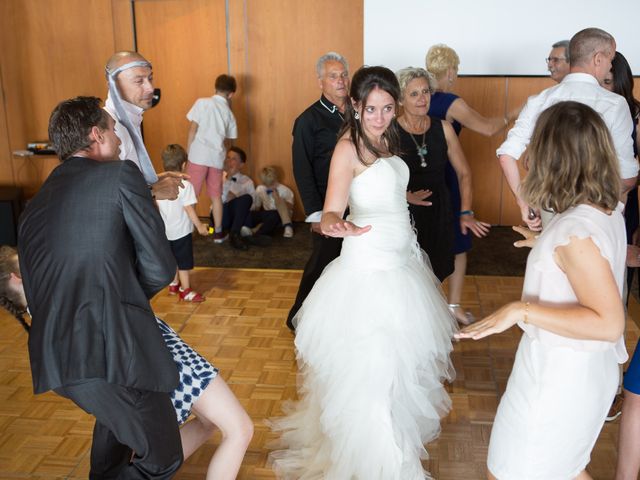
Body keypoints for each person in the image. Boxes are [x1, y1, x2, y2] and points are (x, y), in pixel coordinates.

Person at [269, 66, 457, 479]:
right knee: (373, 370)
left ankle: (393, 444)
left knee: (401, 370)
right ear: (356, 106)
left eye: (388, 108)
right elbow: (335, 204)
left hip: (403, 261)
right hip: (368, 269)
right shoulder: (347, 147)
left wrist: (401, 194)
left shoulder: (388, 138)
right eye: (371, 108)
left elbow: (379, 181)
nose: (380, 116)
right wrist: (337, 223)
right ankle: (380, 464)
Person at [457, 101, 628, 480]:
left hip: (559, 378)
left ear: (555, 157)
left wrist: (521, 310)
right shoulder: (605, 210)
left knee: (508, 472)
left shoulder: (574, 235)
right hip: (577, 371)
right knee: (562, 469)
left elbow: (608, 324)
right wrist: (545, 243)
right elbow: (589, 262)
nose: (528, 154)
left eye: (535, 143)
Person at [19, 96, 183, 478]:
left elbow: (38, 288)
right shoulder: (121, 175)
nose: (121, 140)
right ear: (96, 135)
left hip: (57, 359)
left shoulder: (34, 205)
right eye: (114, 130)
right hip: (113, 349)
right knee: (162, 459)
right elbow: (161, 268)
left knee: (113, 448)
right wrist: (118, 299)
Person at [0, 243, 254, 480]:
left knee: (208, 425)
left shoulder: (45, 311)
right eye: (23, 260)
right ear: (16, 277)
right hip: (164, 358)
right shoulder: (57, 297)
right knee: (240, 429)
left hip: (155, 356)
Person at [497, 27, 638, 230]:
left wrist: (523, 202)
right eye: (610, 58)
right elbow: (627, 177)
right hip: (598, 211)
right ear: (598, 58)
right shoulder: (614, 104)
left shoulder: (540, 100)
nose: (610, 67)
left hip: (550, 206)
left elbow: (506, 155)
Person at [426, 44, 516, 324]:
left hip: (421, 175)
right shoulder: (450, 101)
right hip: (449, 176)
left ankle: (426, 306)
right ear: (451, 71)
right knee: (458, 244)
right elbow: (488, 128)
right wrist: (513, 114)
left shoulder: (415, 97)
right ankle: (452, 306)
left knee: (425, 240)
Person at [395, 67, 489, 299]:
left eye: (425, 91)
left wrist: (466, 211)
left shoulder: (444, 128)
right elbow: (377, 177)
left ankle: (430, 322)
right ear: (400, 98)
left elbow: (464, 173)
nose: (422, 99)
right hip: (402, 213)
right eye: (414, 93)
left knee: (434, 273)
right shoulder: (390, 132)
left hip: (439, 210)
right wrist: (405, 195)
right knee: (406, 275)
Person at [286, 52, 350, 331]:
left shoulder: (360, 112)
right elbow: (302, 170)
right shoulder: (308, 121)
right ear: (320, 81)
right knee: (323, 262)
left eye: (344, 75)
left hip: (357, 202)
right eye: (333, 76)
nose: (341, 81)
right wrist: (315, 215)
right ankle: (297, 316)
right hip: (327, 207)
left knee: (348, 262)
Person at [104, 51, 185, 201]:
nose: (150, 88)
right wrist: (151, 190)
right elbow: (104, 195)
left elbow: (122, 183)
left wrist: (150, 182)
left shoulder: (131, 121)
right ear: (113, 85)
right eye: (139, 81)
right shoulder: (107, 130)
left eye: (150, 78)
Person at [187, 74, 239, 244]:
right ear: (231, 94)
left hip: (197, 155)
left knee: (190, 195)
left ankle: (187, 231)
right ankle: (218, 233)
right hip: (216, 158)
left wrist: (189, 154)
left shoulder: (202, 103)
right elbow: (229, 141)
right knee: (216, 196)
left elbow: (192, 130)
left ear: (215, 88)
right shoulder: (229, 113)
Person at [157, 144, 209, 302]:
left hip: (164, 232)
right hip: (181, 233)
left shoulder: (158, 184)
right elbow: (189, 209)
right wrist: (200, 226)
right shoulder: (185, 185)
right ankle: (185, 290)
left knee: (172, 259)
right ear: (184, 164)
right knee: (184, 262)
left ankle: (173, 283)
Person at [220, 146, 269, 250]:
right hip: (222, 215)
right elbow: (220, 201)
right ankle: (241, 234)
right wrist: (228, 180)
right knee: (244, 199)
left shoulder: (247, 181)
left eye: (233, 159)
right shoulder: (218, 178)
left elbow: (254, 205)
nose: (229, 161)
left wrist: (238, 201)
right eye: (228, 157)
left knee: (272, 214)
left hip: (241, 216)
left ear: (241, 165)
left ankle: (238, 233)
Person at [250, 166, 295, 238]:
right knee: (253, 214)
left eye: (273, 183)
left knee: (274, 214)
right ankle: (254, 231)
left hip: (281, 217)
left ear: (276, 179)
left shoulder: (285, 190)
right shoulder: (260, 189)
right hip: (268, 215)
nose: (270, 186)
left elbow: (291, 207)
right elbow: (257, 207)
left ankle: (288, 226)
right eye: (267, 184)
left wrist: (278, 198)